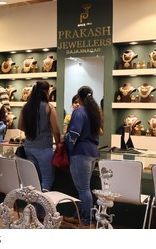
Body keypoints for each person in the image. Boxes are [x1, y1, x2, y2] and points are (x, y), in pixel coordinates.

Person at [64, 86, 102, 227]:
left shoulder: (79, 111)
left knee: (83, 188)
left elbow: (74, 134)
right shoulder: (94, 112)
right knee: (84, 187)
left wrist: (67, 143)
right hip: (92, 152)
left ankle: (86, 220)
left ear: (79, 98)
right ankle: (78, 215)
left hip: (80, 152)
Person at [18, 81, 61, 192]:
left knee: (35, 180)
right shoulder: (49, 108)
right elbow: (56, 130)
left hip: (29, 147)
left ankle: (35, 208)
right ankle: (43, 208)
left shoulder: (26, 107)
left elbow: (20, 126)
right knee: (47, 180)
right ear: (47, 92)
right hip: (44, 148)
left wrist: (33, 130)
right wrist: (58, 144)